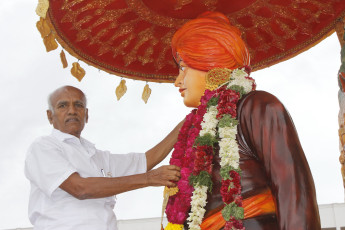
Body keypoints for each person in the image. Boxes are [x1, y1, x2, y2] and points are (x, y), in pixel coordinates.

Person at [163, 12, 321, 230]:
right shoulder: (194, 128)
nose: (177, 81)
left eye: (182, 67)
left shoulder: (257, 106)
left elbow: (293, 189)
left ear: (209, 60)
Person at [25, 85, 183, 230]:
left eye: (78, 105)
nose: (72, 110)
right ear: (49, 116)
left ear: (86, 115)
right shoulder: (43, 147)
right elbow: (80, 189)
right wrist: (148, 178)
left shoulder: (97, 156)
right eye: (63, 105)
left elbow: (146, 160)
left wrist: (187, 122)